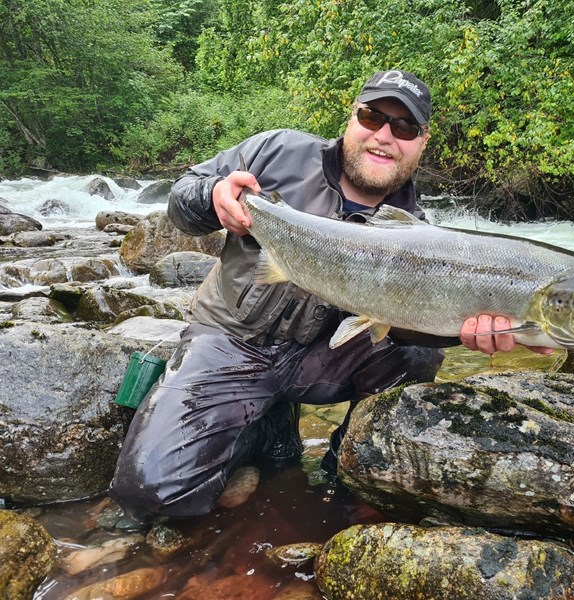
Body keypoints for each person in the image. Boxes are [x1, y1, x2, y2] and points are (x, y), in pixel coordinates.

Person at [109, 70, 548, 523]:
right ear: (351, 116)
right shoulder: (276, 151)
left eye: (403, 127)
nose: (383, 136)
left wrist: (465, 330)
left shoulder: (419, 233)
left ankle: (348, 466)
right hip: (229, 344)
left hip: (324, 360)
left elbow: (407, 328)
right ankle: (265, 424)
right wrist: (213, 196)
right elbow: (181, 203)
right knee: (149, 494)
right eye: (372, 116)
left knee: (416, 352)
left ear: (422, 141)